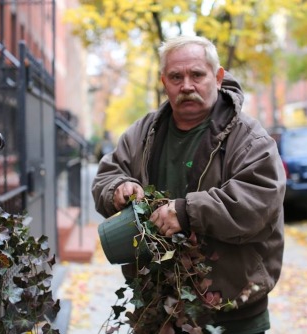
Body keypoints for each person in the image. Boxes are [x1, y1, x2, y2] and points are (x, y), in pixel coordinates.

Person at [92, 35, 286, 334]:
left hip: (232, 308)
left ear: (217, 77)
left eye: (197, 74)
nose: (186, 85)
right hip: (160, 306)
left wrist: (188, 212)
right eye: (176, 77)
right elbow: (107, 174)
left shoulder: (249, 138)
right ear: (163, 81)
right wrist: (118, 188)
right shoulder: (142, 133)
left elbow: (258, 204)